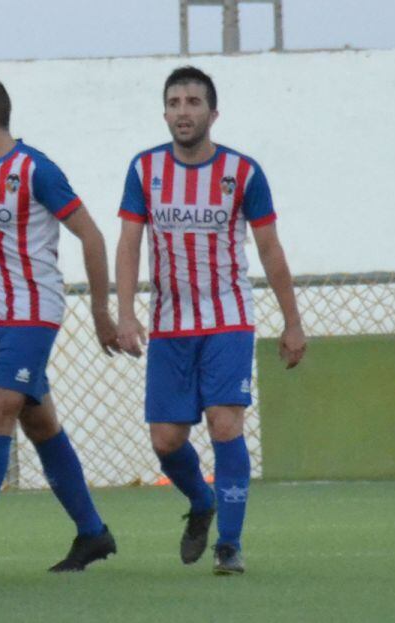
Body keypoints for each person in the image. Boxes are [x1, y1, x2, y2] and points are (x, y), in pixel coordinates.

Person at [0, 24, 120, 577]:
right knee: (40, 425)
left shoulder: (35, 169)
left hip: (33, 315)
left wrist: (102, 313)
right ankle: (93, 533)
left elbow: (93, 235)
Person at [114, 66, 306, 575]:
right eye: (175, 102)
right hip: (170, 325)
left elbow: (269, 249)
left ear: (212, 113)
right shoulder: (144, 169)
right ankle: (202, 501)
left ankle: (230, 544)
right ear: (165, 112)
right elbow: (129, 243)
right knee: (166, 440)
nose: (183, 111)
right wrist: (126, 312)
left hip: (228, 319)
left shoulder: (243, 173)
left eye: (194, 102)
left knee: (225, 425)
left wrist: (292, 322)